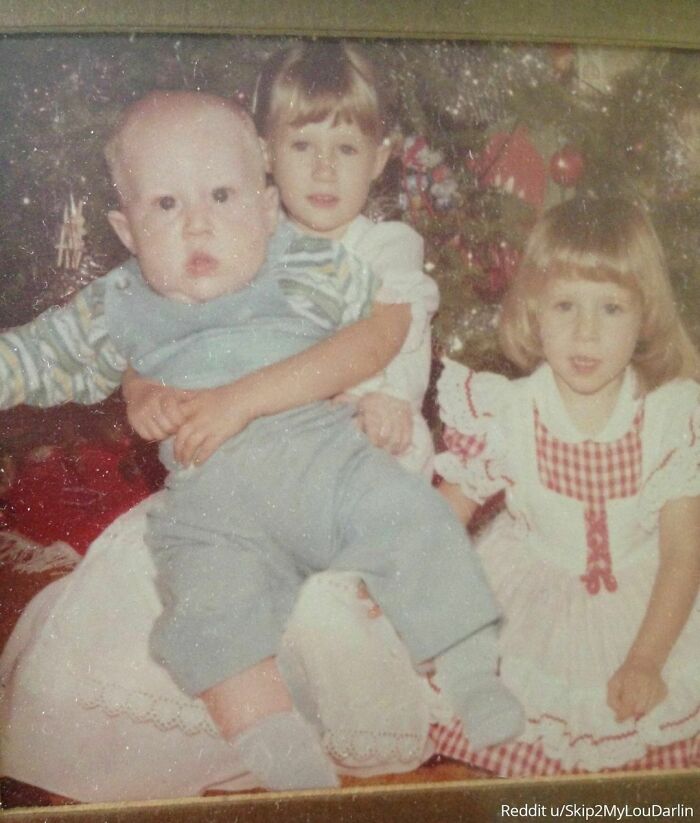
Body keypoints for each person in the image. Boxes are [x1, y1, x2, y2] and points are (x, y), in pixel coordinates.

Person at [0, 89, 521, 798]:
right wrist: (140, 386)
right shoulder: (120, 305)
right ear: (126, 230)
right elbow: (35, 355)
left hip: (326, 472)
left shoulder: (299, 268)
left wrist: (362, 391)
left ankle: (466, 675)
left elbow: (385, 322)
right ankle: (283, 755)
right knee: (208, 618)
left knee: (412, 535)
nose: (199, 224)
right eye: (166, 205)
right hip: (216, 514)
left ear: (268, 208)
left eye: (220, 194)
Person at [432, 197, 700, 775]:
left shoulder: (668, 416)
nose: (586, 332)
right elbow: (437, 522)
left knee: (652, 734)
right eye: (565, 306)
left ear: (645, 315)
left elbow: (683, 554)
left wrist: (646, 661)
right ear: (533, 312)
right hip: (531, 595)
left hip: (649, 603)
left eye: (610, 308)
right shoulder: (507, 412)